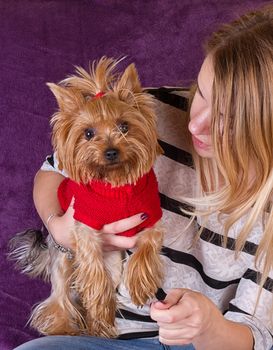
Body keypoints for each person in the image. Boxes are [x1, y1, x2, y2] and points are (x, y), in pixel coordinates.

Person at [15, 4, 273, 350]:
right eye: (201, 93)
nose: (196, 124)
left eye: (227, 117)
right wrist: (58, 227)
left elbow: (254, 336)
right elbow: (51, 173)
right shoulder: (145, 115)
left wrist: (208, 325)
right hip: (111, 337)